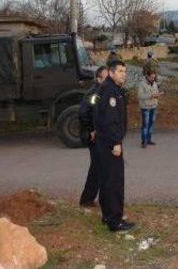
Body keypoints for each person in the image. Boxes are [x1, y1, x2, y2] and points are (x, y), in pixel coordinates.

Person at [93, 60, 135, 233]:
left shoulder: (107, 88)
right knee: (114, 182)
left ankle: (108, 214)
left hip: (104, 141)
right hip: (111, 143)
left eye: (124, 71)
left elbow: (96, 112)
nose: (123, 74)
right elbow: (111, 120)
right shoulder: (110, 91)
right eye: (119, 71)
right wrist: (116, 142)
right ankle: (115, 221)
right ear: (110, 73)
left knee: (105, 179)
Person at [78, 66, 108, 207]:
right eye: (105, 77)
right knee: (96, 167)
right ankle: (87, 199)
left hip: (100, 136)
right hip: (93, 136)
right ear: (98, 78)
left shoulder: (102, 91)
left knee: (98, 167)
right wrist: (91, 129)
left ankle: (90, 198)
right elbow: (84, 112)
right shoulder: (94, 94)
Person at [137, 70, 162, 148]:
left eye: (154, 77)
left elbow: (156, 91)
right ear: (147, 76)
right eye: (151, 77)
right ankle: (144, 141)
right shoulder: (142, 84)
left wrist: (158, 95)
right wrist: (151, 96)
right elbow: (140, 96)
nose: (153, 78)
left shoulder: (154, 83)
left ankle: (149, 140)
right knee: (145, 125)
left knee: (151, 124)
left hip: (153, 106)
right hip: (145, 107)